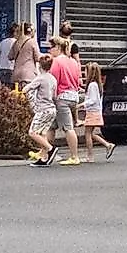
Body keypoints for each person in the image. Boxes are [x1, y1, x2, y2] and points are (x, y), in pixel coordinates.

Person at [48, 36, 87, 166]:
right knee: (51, 126)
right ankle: (45, 152)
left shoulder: (56, 61)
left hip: (61, 97)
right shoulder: (73, 62)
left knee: (68, 128)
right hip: (73, 96)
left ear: (58, 47)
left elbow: (54, 81)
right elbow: (77, 80)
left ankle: (74, 156)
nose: (50, 50)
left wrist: (50, 97)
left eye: (52, 47)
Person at [21, 63, 58, 165]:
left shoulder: (40, 78)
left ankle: (50, 149)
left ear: (40, 67)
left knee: (33, 132)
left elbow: (26, 89)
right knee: (42, 133)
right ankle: (44, 158)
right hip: (51, 109)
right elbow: (54, 95)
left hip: (42, 109)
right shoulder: (53, 79)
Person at [81, 62, 114, 159]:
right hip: (95, 111)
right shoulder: (97, 85)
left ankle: (90, 155)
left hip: (92, 111)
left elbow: (93, 100)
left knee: (87, 134)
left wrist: (82, 104)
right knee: (91, 133)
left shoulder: (92, 85)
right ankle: (107, 145)